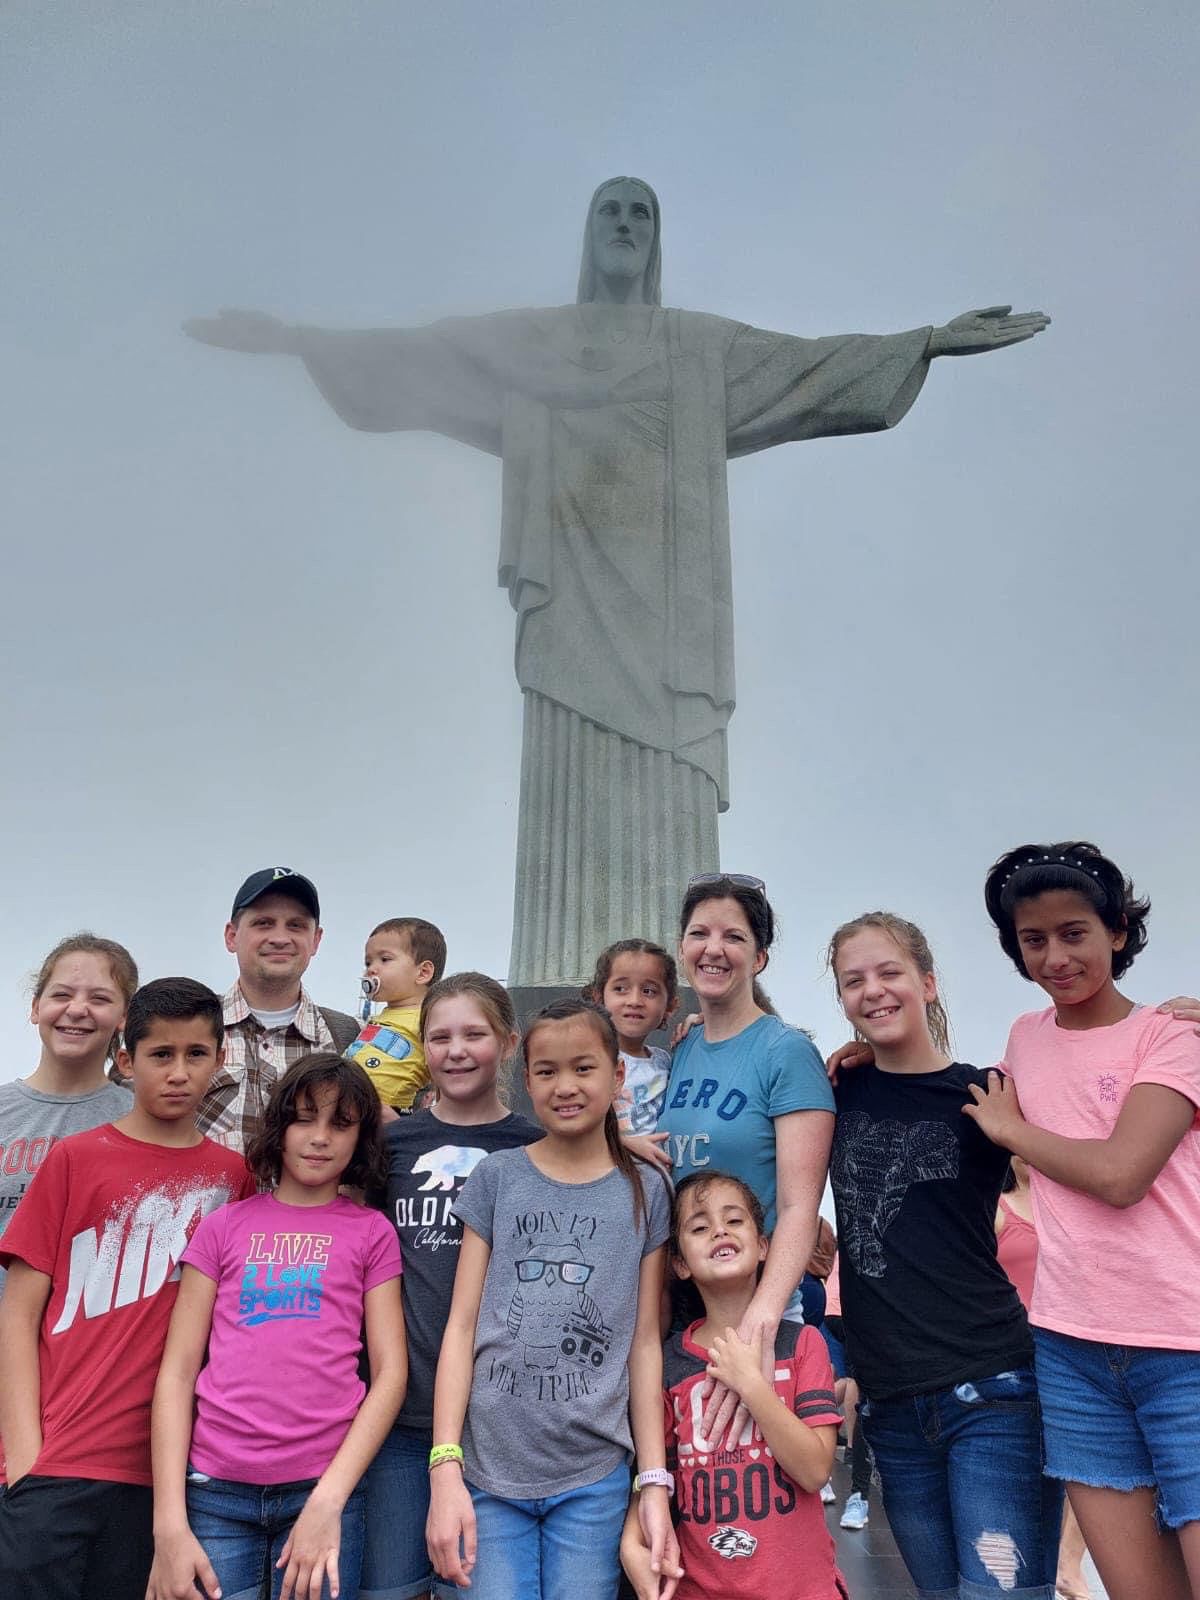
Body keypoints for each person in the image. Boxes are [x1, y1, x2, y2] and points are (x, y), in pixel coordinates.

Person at [184, 178, 1049, 986]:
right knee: (566, 763)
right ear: (590, 236)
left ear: (656, 239)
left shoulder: (700, 348)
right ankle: (562, 971)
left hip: (672, 614)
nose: (627, 227)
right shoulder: (532, 342)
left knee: (670, 767)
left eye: (642, 214)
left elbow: (812, 368)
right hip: (566, 596)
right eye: (612, 213)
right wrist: (297, 341)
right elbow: (425, 356)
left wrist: (926, 342)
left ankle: (663, 979)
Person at [964, 842, 1200, 1600]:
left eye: (1075, 933)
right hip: (1072, 1352)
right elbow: (957, 1098)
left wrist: (1013, 1133)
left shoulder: (1172, 1037)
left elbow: (1120, 1175)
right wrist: (855, 1059)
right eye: (1034, 940)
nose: (1055, 956)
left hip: (1184, 1345)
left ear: (1118, 933)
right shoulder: (1025, 1038)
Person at [826, 910, 1060, 1600]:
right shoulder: (833, 1090)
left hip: (992, 1390)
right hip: (891, 1407)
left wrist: (1167, 1025)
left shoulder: (986, 1093)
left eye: (890, 972)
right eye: (853, 980)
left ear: (927, 983)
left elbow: (1099, 1101)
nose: (873, 990)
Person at [0, 977, 253, 1600]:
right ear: (125, 1059)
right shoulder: (75, 1159)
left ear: (220, 1061)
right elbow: (18, 1314)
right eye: (160, 1055)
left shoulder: (233, 1177)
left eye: (196, 1054)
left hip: (164, 1478)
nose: (178, 1072)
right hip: (57, 1463)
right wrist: (25, 1457)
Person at [426, 998, 674, 1600]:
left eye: (584, 1068)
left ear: (617, 1076)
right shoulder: (498, 1178)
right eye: (546, 1071)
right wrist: (445, 1469)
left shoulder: (646, 1189)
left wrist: (654, 1483)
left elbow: (644, 1342)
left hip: (594, 1478)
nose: (565, 1086)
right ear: (526, 1078)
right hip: (488, 1473)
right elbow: (461, 1328)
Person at [147, 1052, 406, 1600]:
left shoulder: (372, 1233)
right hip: (215, 1492)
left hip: (322, 1489)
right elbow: (176, 1373)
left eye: (340, 1124)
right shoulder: (223, 1227)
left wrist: (330, 1499)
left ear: (361, 1139)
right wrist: (168, 1522)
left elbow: (390, 1376)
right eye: (304, 1117)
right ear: (278, 1125)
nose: (319, 1137)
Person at [361, 972, 540, 1600]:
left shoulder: (535, 1146)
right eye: (439, 1037)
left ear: (509, 1042)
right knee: (388, 1588)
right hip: (402, 1413)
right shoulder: (391, 1145)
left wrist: (616, 1142)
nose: (456, 1050)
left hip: (497, 1421)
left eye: (475, 1034)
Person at [664, 874, 834, 1441]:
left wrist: (763, 1316)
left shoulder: (785, 1052)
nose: (713, 949)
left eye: (733, 937)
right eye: (699, 933)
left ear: (759, 957)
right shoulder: (682, 1048)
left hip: (755, 1308)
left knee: (755, 1482)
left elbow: (798, 1204)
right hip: (684, 1301)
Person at [621, 1171, 846, 1600]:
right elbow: (657, 1474)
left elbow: (816, 1471)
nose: (719, 1230)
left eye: (734, 1220)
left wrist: (750, 1384)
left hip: (800, 1588)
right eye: (700, 1226)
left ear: (764, 1246)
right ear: (680, 1264)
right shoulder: (670, 1364)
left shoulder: (801, 1345)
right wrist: (633, 1536)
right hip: (700, 1588)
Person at [0, 933, 138, 1284]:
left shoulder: (141, 1119)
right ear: (35, 1007)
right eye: (61, 994)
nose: (77, 1009)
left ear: (125, 1016)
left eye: (100, 998)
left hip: (87, 1334)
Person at [199, 867, 360, 1152]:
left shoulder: (349, 1037)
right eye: (264, 923)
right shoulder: (191, 1026)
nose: (280, 938)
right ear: (231, 936)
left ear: (316, 940)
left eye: (296, 925)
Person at [995, 1157, 1093, 1600]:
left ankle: (1067, 1563)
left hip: (1071, 1346)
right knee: (1028, 1466)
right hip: (1011, 1354)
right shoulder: (997, 1208)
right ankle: (1033, 1567)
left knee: (1087, 1458)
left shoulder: (1074, 1207)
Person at [585, 937, 677, 1165]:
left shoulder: (664, 1061)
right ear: (599, 998)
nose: (634, 1000)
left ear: (670, 1007)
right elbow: (572, 1124)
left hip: (658, 1185)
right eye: (620, 989)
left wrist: (697, 1021)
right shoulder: (589, 1061)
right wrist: (625, 1143)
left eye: (648, 991)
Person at [347, 916, 447, 1111]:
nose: (371, 970)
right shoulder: (380, 1018)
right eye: (368, 963)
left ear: (423, 973)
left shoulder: (431, 1019)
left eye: (385, 960)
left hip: (390, 1113)